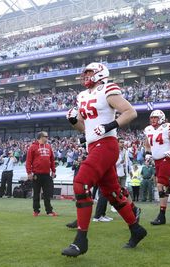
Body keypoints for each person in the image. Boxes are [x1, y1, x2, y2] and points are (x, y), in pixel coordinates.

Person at [62, 62, 146, 257]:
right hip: (93, 145)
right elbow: (87, 127)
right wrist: (75, 121)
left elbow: (130, 112)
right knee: (113, 193)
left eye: (89, 72)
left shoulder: (108, 88)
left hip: (106, 144)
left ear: (99, 73)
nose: (85, 76)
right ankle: (136, 229)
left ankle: (80, 240)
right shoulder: (82, 95)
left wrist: (109, 126)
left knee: (81, 183)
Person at [144, 109, 170, 225]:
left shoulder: (167, 127)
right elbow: (147, 143)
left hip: (166, 159)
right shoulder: (148, 129)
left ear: (161, 118)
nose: (153, 120)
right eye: (152, 118)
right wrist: (148, 154)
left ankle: (162, 215)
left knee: (160, 185)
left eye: (155, 118)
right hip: (157, 160)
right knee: (166, 185)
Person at [26, 131, 57, 216]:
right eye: (45, 136)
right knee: (36, 193)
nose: (47, 137)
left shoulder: (49, 147)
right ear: (40, 137)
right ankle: (36, 210)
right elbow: (28, 161)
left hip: (47, 174)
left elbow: (52, 160)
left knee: (47, 194)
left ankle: (49, 211)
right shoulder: (32, 147)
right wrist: (29, 173)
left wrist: (53, 171)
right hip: (36, 174)